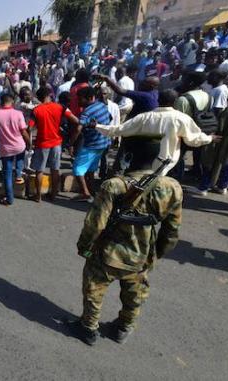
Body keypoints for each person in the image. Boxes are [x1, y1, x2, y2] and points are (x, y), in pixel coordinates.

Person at [68, 137, 182, 346]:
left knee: (94, 288)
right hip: (142, 254)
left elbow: (95, 224)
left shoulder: (113, 185)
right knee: (134, 294)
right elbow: (172, 230)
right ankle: (123, 327)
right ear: (156, 158)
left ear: (128, 156)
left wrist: (84, 246)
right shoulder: (172, 187)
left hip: (107, 253)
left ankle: (88, 328)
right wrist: (156, 253)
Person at [95, 89, 218, 176]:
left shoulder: (144, 117)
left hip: (141, 162)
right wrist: (209, 138)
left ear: (158, 100)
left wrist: (96, 126)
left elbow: (117, 130)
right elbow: (193, 139)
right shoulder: (181, 118)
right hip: (164, 164)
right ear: (174, 102)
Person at [30, 88, 79, 202]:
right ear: (49, 95)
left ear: (39, 98)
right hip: (56, 142)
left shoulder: (36, 110)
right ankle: (53, 195)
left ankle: (38, 196)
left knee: (39, 170)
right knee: (55, 169)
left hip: (42, 143)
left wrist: (29, 142)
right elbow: (75, 120)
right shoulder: (60, 107)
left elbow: (29, 127)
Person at [70, 87, 111, 202]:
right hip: (103, 142)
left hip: (92, 144)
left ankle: (85, 193)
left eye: (80, 99)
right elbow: (109, 118)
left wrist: (71, 144)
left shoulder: (87, 111)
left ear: (89, 98)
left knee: (77, 169)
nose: (78, 101)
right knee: (91, 169)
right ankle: (92, 190)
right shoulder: (102, 105)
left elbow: (78, 128)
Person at [0, 93, 29, 205]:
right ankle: (19, 174)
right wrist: (29, 143)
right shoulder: (19, 113)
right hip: (19, 145)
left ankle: (9, 199)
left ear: (1, 102)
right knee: (20, 155)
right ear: (12, 102)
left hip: (6, 149)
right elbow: (24, 131)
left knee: (7, 175)